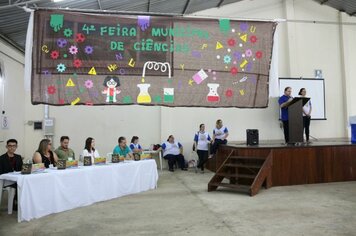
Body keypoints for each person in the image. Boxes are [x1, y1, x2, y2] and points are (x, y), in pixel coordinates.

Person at [0, 139, 23, 211]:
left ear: (16, 147)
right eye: (10, 146)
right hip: (5, 180)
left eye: (14, 146)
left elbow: (21, 169)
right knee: (18, 184)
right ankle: (15, 202)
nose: (12, 148)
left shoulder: (18, 157)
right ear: (6, 146)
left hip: (16, 179)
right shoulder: (1, 158)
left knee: (24, 183)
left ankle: (21, 203)